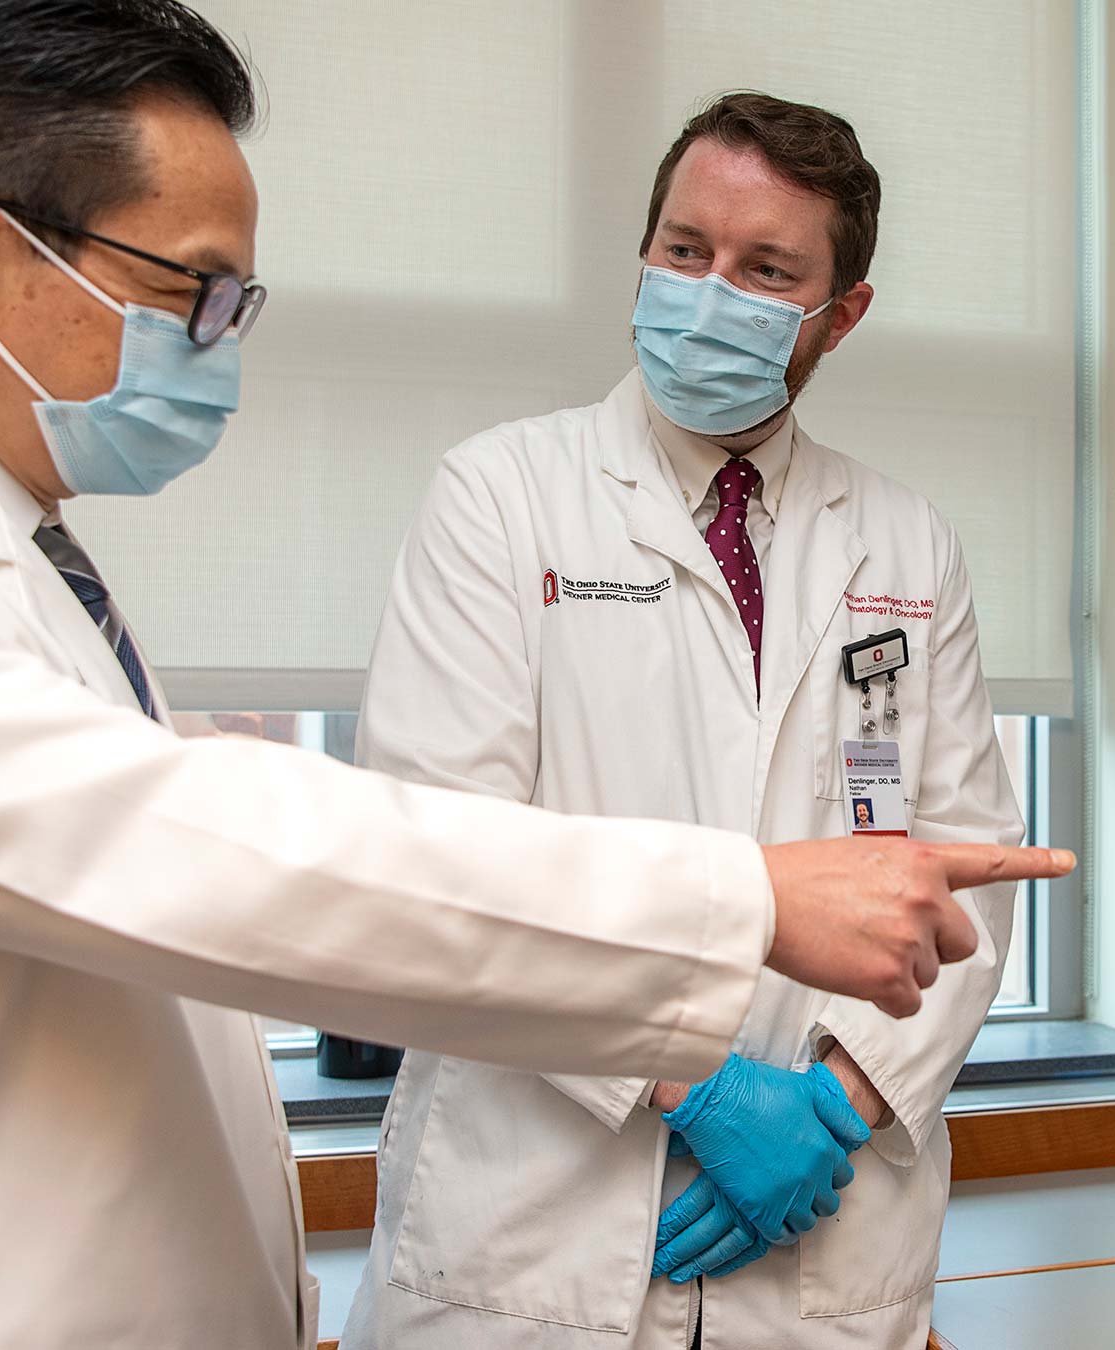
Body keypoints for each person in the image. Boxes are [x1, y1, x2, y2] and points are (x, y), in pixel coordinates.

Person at [0, 9, 1072, 1350]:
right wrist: (749, 904)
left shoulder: (7, 559)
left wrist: (837, 1093)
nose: (221, 341)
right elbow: (246, 857)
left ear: (839, 310)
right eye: (192, 290)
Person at [342, 93, 1025, 1350]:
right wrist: (695, 1083)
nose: (709, 291)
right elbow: (443, 860)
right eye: (683, 250)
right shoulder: (503, 497)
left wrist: (837, 1106)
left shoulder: (907, 542)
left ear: (842, 313)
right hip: (533, 1238)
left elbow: (968, 871)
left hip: (823, 1233)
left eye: (766, 270)